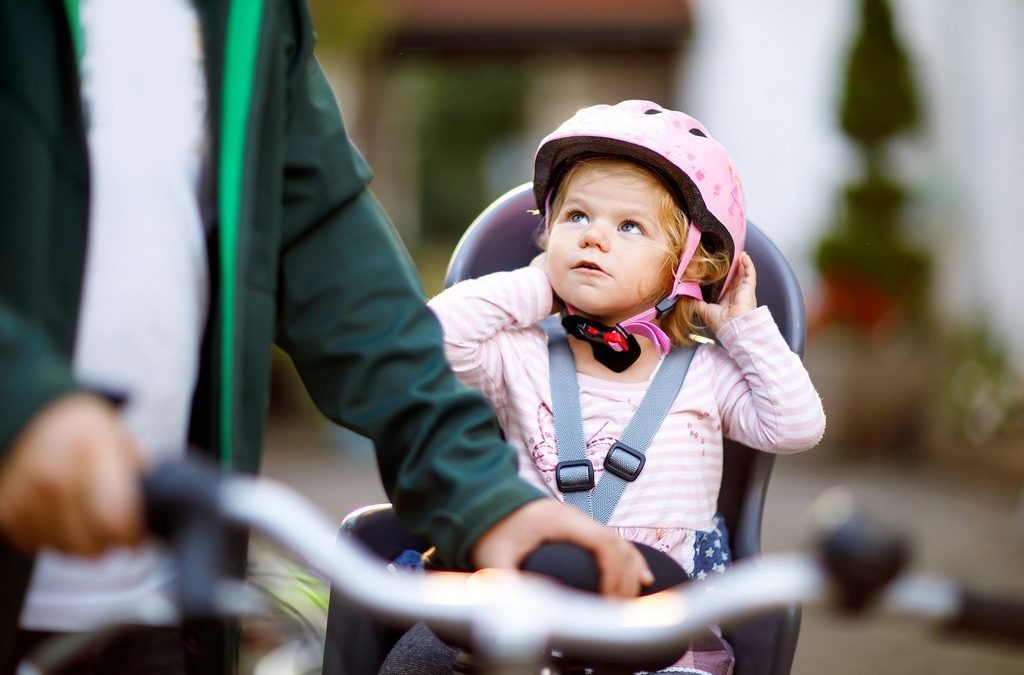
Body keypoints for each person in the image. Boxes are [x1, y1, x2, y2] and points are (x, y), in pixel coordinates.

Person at [0, 3, 652, 673]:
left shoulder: (252, 15)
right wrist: (21, 401)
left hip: (159, 603)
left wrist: (481, 494)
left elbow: (326, 243)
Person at [415, 100, 827, 674]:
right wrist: (538, 287)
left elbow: (797, 425)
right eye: (576, 217)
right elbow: (426, 342)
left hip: (658, 635)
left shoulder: (705, 377)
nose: (594, 239)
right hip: (527, 627)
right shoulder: (519, 354)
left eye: (629, 226)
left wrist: (741, 329)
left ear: (690, 267)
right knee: (428, 632)